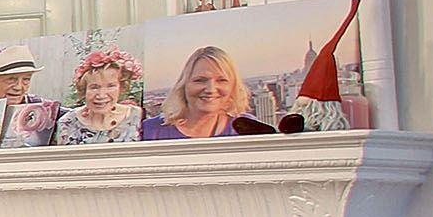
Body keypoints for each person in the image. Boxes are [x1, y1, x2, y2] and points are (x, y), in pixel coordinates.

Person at [141, 45, 275, 141]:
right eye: (200, 80)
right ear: (184, 85)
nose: (211, 89)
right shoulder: (149, 131)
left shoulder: (248, 128)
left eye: (221, 80)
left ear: (233, 86)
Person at [56, 52, 141, 144]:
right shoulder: (68, 122)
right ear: (84, 90)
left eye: (111, 86)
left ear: (121, 88)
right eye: (94, 87)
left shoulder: (136, 116)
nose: (101, 95)